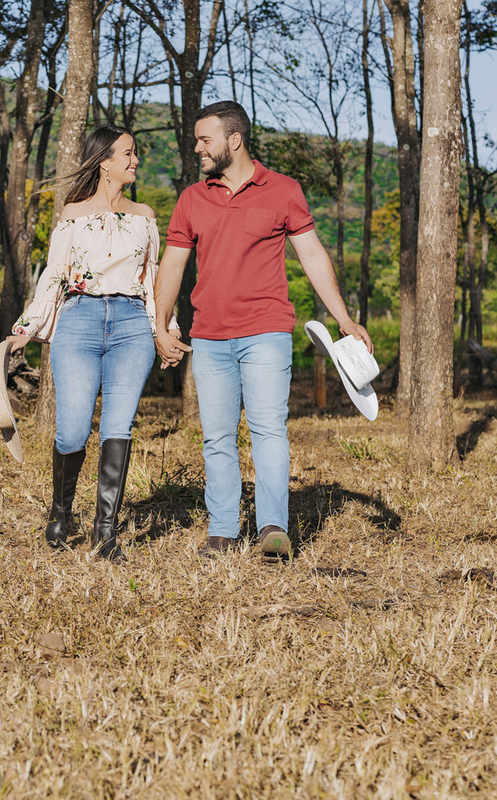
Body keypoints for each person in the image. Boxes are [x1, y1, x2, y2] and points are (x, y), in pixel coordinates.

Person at [153, 100, 372, 558]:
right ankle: (223, 531)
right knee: (216, 436)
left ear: (234, 140)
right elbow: (172, 264)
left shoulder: (283, 190)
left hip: (267, 331)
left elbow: (312, 255)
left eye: (204, 139)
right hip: (209, 336)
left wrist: (344, 318)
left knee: (268, 430)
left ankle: (273, 528)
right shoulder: (193, 198)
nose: (197, 148)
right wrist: (161, 324)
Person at [6, 125, 174, 563]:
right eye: (127, 154)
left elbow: (154, 281)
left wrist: (165, 330)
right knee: (74, 429)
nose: (135, 161)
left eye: (136, 154)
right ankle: (61, 511)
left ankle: (105, 531)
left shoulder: (146, 216)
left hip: (132, 325)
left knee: (119, 428)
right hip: (78, 321)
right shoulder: (72, 214)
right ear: (104, 162)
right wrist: (26, 327)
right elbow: (54, 277)